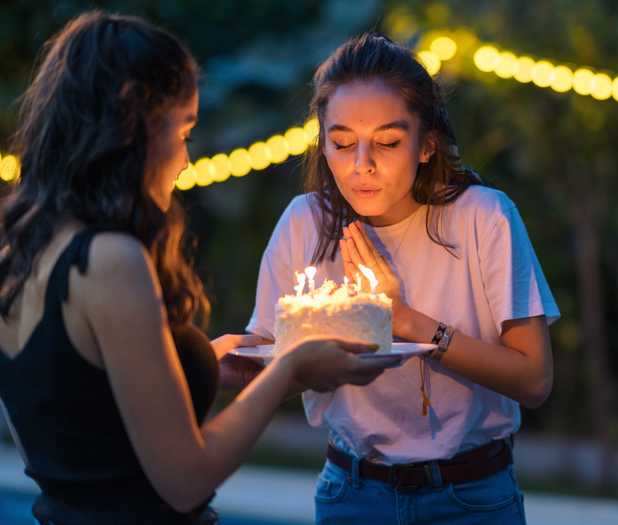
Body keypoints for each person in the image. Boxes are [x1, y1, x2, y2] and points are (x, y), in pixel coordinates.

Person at [0, 12, 391, 525]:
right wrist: (288, 371)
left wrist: (202, 361)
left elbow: (78, 403)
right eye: (183, 130)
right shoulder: (109, 260)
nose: (186, 158)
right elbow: (185, 480)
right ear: (133, 122)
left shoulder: (22, 243)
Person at [244, 33, 560, 524]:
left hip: (470, 495)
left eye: (388, 142)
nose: (361, 164)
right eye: (342, 142)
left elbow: (534, 379)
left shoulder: (484, 218)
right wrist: (211, 360)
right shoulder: (304, 223)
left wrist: (406, 321)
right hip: (353, 492)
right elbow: (267, 356)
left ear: (427, 144)